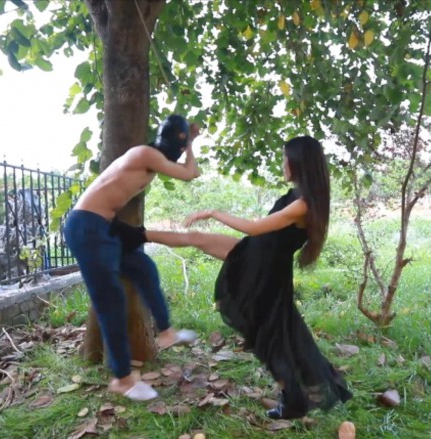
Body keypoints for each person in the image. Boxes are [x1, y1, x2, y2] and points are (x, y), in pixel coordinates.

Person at [117, 136, 352, 419]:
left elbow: (254, 228)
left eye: (285, 158)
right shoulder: (299, 196)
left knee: (271, 339)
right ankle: (133, 235)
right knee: (197, 238)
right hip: (256, 254)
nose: (283, 164)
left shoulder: (303, 204)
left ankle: (293, 399)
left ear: (299, 162)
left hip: (263, 269)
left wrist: (214, 212)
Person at [63, 115, 200, 402]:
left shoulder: (150, 159)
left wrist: (189, 142)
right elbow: (190, 174)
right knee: (111, 300)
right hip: (87, 226)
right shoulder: (146, 154)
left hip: (106, 227)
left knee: (143, 267)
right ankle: (122, 378)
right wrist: (189, 144)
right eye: (178, 144)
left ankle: (166, 333)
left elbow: (189, 171)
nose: (179, 150)